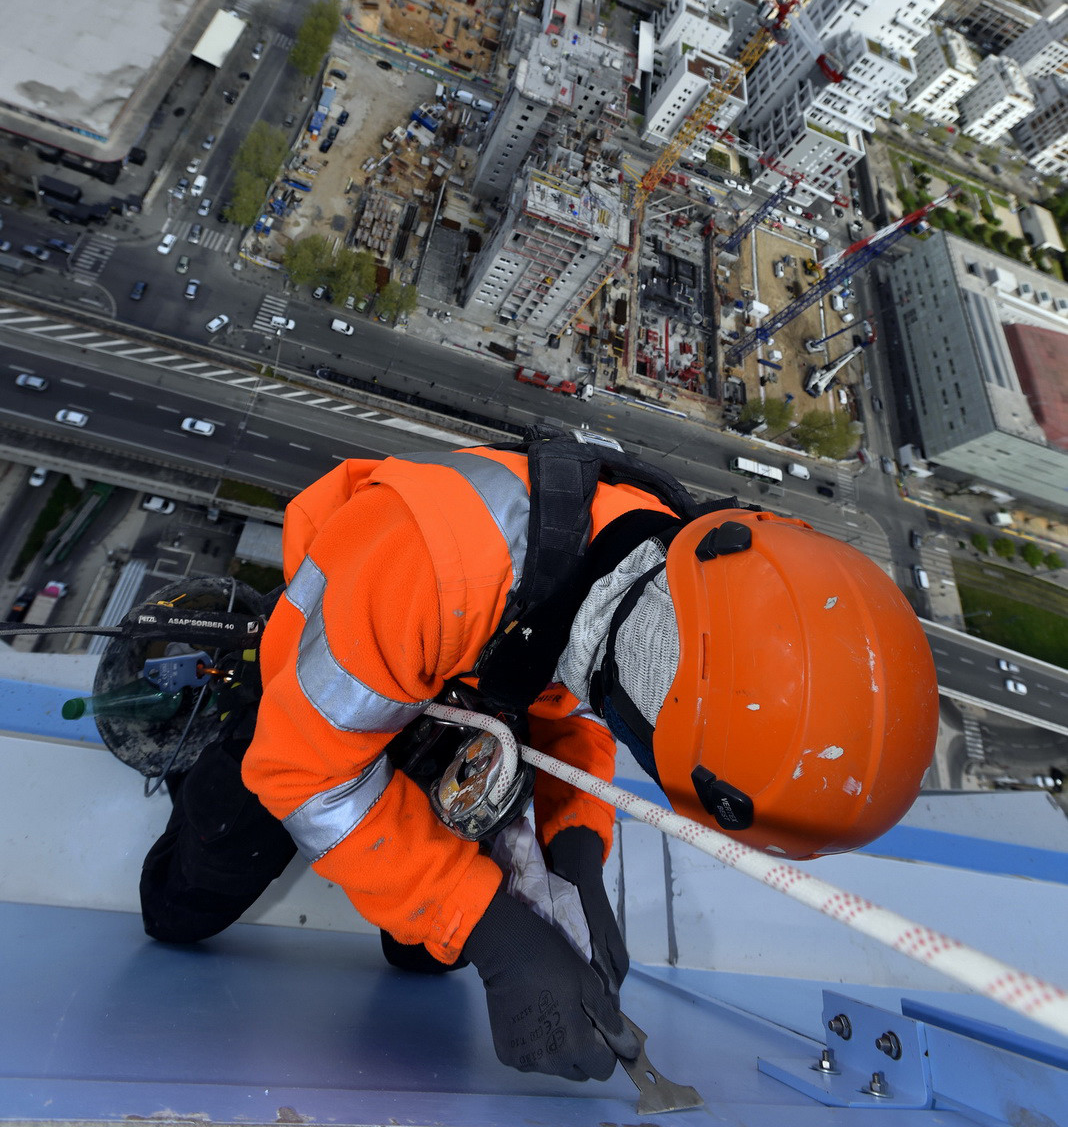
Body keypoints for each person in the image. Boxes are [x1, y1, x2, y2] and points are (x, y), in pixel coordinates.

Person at [140, 436, 938, 1084]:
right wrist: (490, 931)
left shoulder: (670, 581)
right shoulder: (433, 565)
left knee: (426, 956)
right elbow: (304, 773)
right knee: (195, 892)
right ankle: (202, 794)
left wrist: (575, 855)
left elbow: (570, 704)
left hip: (461, 672)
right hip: (333, 681)